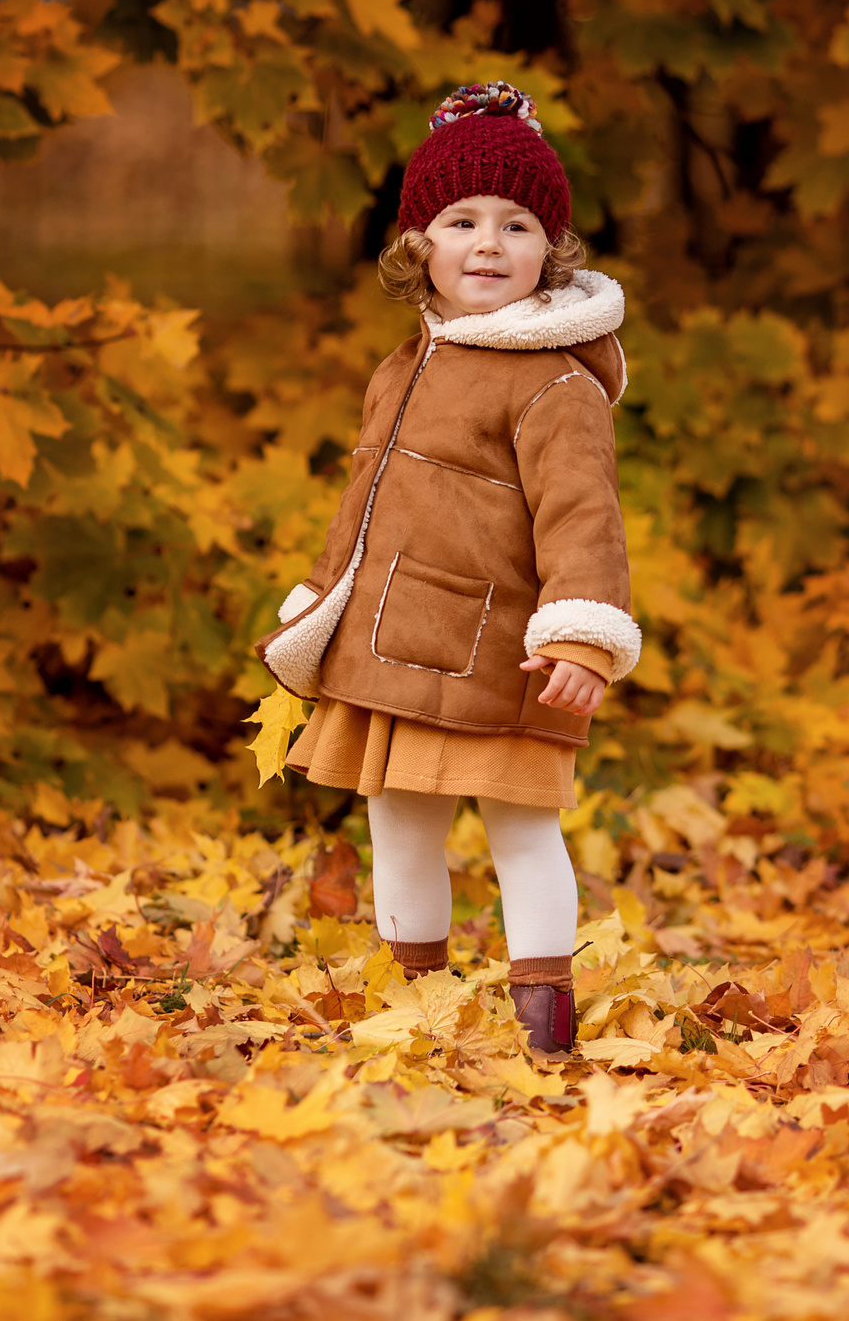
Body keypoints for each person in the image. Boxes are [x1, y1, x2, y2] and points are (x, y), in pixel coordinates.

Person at [254, 82, 639, 1057]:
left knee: (519, 833)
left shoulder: (555, 383)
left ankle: (543, 1023)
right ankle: (414, 1003)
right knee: (402, 827)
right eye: (460, 220)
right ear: (416, 241)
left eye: (516, 225)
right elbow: (367, 505)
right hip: (390, 650)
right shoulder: (404, 364)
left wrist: (581, 637)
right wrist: (320, 598)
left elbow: (583, 518)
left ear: (549, 251)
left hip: (504, 657)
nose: (486, 244)